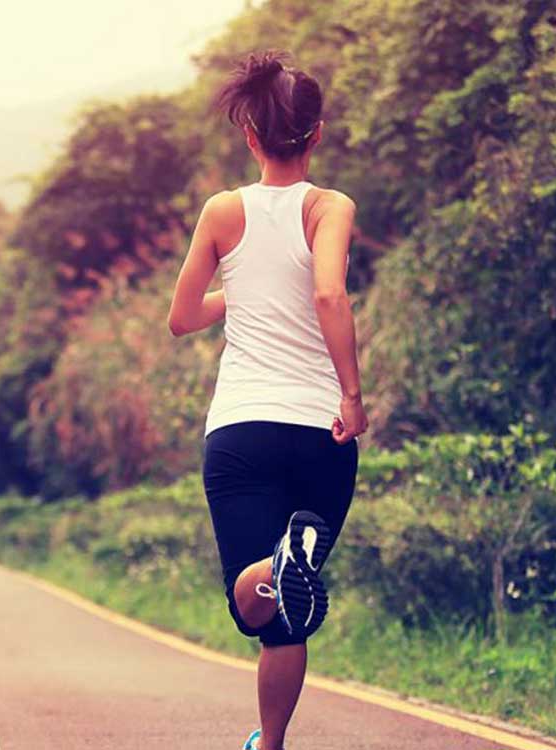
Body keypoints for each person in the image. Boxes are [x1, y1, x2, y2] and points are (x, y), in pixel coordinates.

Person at [166, 49, 368, 750]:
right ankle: (271, 743)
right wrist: (352, 395)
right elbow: (328, 293)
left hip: (240, 431)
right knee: (292, 606)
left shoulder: (223, 211)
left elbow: (183, 315)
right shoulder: (330, 207)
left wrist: (242, 291)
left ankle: (277, 571)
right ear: (317, 133)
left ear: (250, 136)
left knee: (258, 607)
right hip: (319, 430)